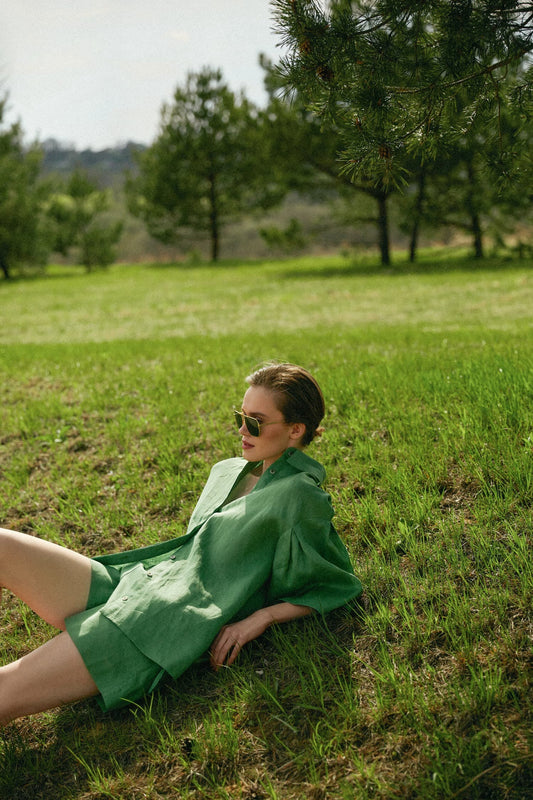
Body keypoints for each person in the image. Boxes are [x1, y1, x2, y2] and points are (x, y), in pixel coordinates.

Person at [0, 363, 362, 726]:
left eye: (255, 421)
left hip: (156, 628)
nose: (241, 430)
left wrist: (261, 618)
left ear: (296, 430)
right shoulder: (229, 470)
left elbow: (334, 582)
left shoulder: (300, 496)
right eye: (240, 416)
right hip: (133, 582)